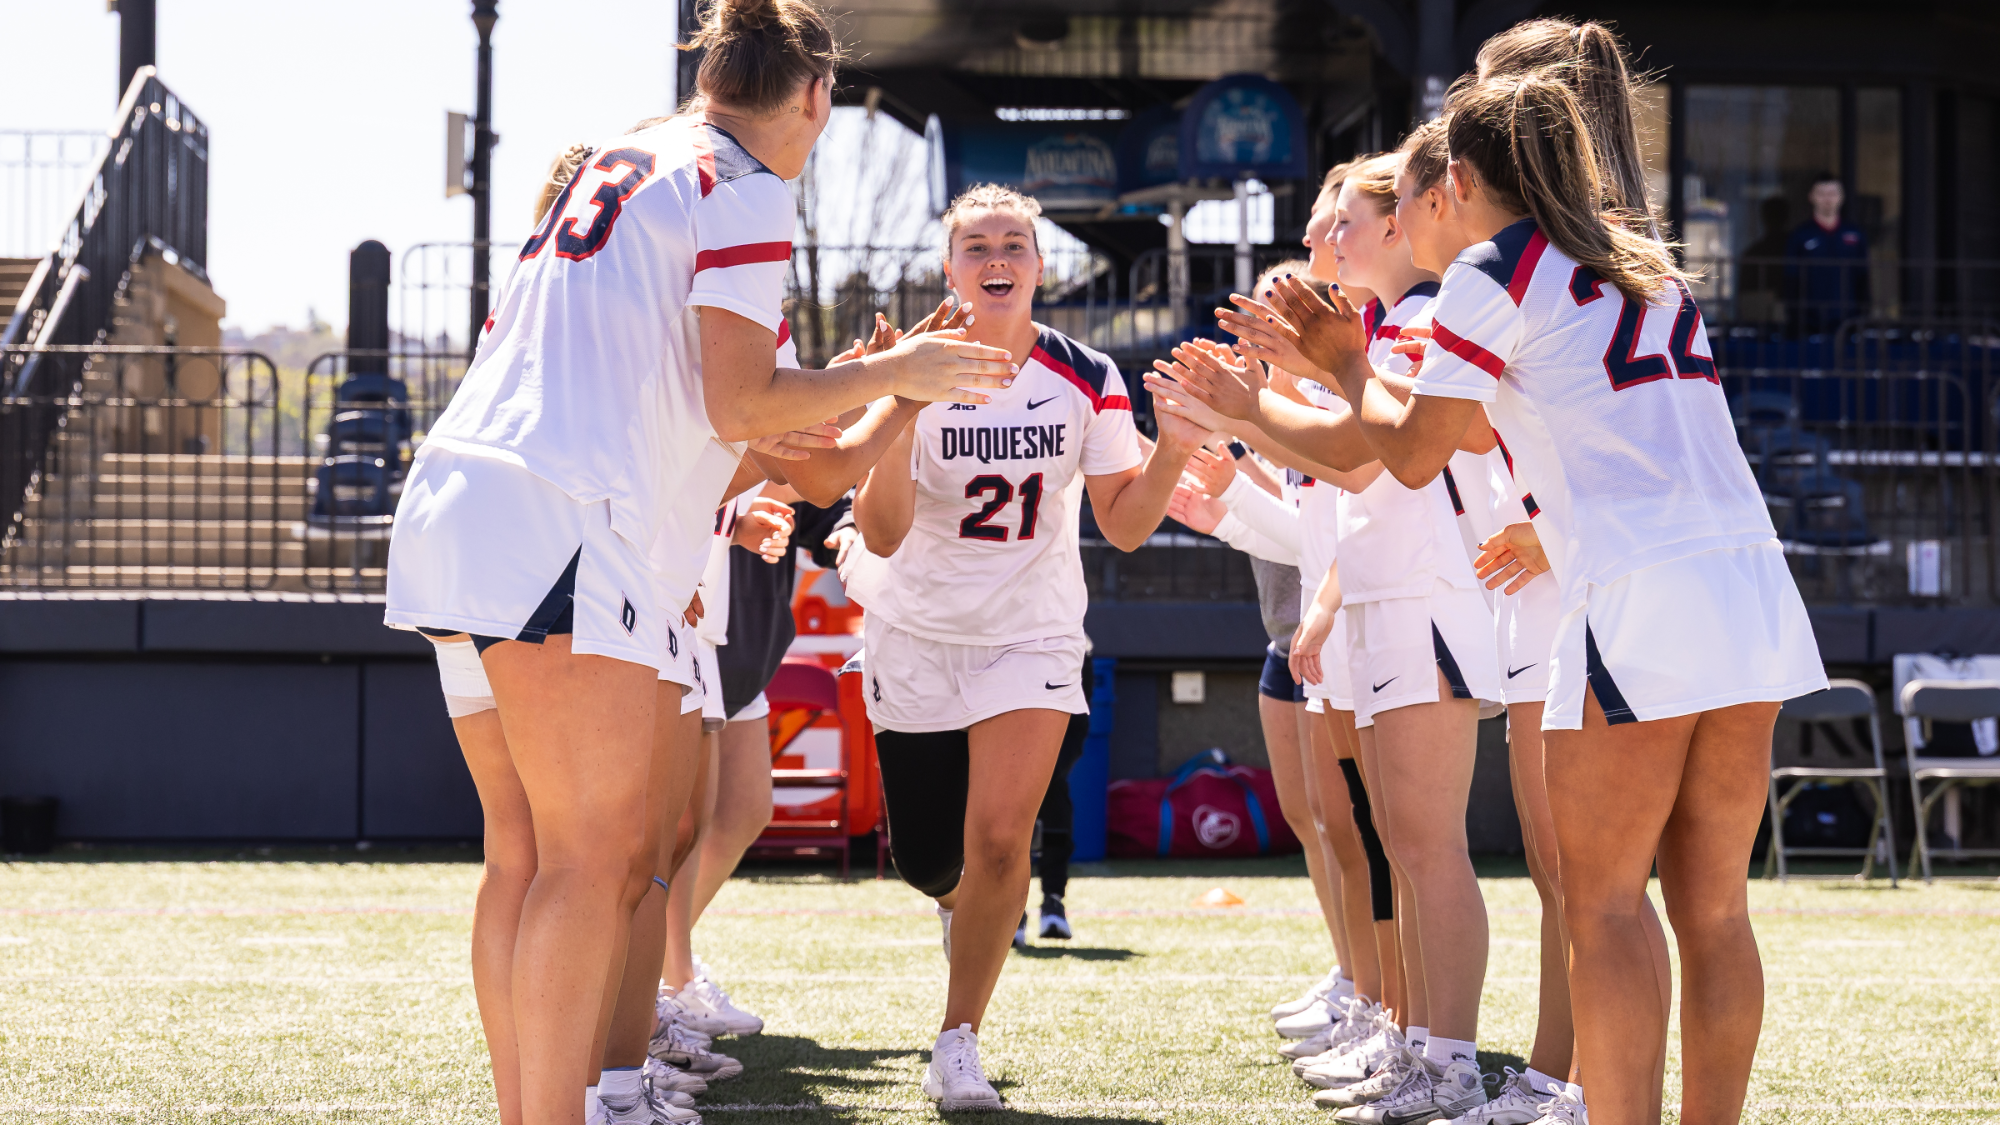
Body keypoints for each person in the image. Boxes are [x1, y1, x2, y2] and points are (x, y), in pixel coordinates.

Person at [381, 0, 1017, 1119]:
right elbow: (742, 400)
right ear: (815, 96)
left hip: (468, 497)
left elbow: (768, 456)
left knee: (529, 857)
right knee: (595, 859)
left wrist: (887, 392)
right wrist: (899, 372)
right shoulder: (741, 181)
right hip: (563, 520)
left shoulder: (635, 153)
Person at [1265, 69, 1826, 1125]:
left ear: (1461, 179)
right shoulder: (1647, 267)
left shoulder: (1489, 268)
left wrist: (1342, 364)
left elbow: (1416, 451)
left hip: (1633, 593)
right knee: (1712, 910)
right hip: (1747, 581)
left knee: (1604, 905)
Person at [847, 182, 1203, 1110]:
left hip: (1033, 633)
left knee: (1003, 839)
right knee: (934, 863)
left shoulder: (1087, 376)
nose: (996, 256)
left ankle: (957, 1039)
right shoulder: (917, 371)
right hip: (915, 629)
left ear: (1040, 267)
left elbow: (1124, 525)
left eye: (1014, 242)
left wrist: (1177, 447)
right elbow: (880, 533)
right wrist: (892, 405)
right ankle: (955, 910)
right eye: (976, 245)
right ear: (950, 269)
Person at [1182, 151, 1502, 1123]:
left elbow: (1367, 466)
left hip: (1422, 596)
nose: (1327, 237)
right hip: (1380, 594)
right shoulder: (1384, 331)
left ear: (1399, 228)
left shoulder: (1411, 323)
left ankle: (1445, 1059)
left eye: (1346, 220)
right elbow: (1347, 468)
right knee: (1397, 841)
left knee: (1421, 843)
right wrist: (1255, 405)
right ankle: (1414, 1044)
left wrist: (1250, 404)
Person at [1785, 173, 1869, 335]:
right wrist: (1795, 318)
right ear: (1811, 197)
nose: (1827, 199)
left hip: (1848, 321)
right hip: (1809, 323)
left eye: (1832, 193)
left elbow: (1863, 277)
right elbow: (1791, 279)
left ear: (1841, 197)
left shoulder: (1855, 234)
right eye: (1821, 194)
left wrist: (1863, 315)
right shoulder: (1800, 235)